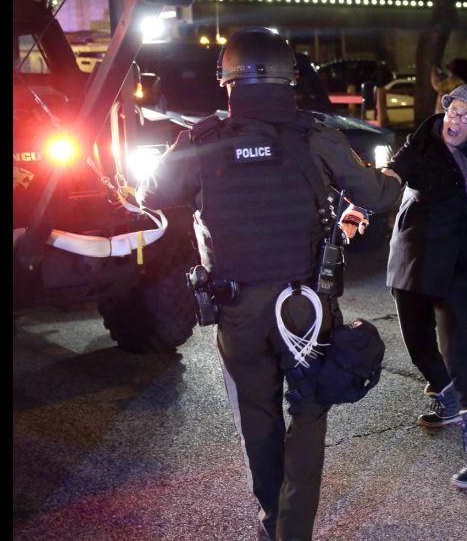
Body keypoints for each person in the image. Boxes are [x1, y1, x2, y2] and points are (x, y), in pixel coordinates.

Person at [136, 27, 402, 540]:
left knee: (257, 417)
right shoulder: (316, 132)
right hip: (306, 302)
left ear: (225, 80)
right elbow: (375, 193)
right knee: (309, 408)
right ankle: (292, 531)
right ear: (292, 77)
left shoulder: (201, 139)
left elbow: (150, 191)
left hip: (235, 307)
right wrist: (394, 179)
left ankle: (271, 520)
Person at [381, 84, 467, 489]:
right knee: (414, 337)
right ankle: (445, 395)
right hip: (414, 244)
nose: (455, 121)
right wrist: (378, 185)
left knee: (457, 346)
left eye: (466, 117)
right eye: (452, 112)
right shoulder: (425, 134)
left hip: (462, 255)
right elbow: (399, 166)